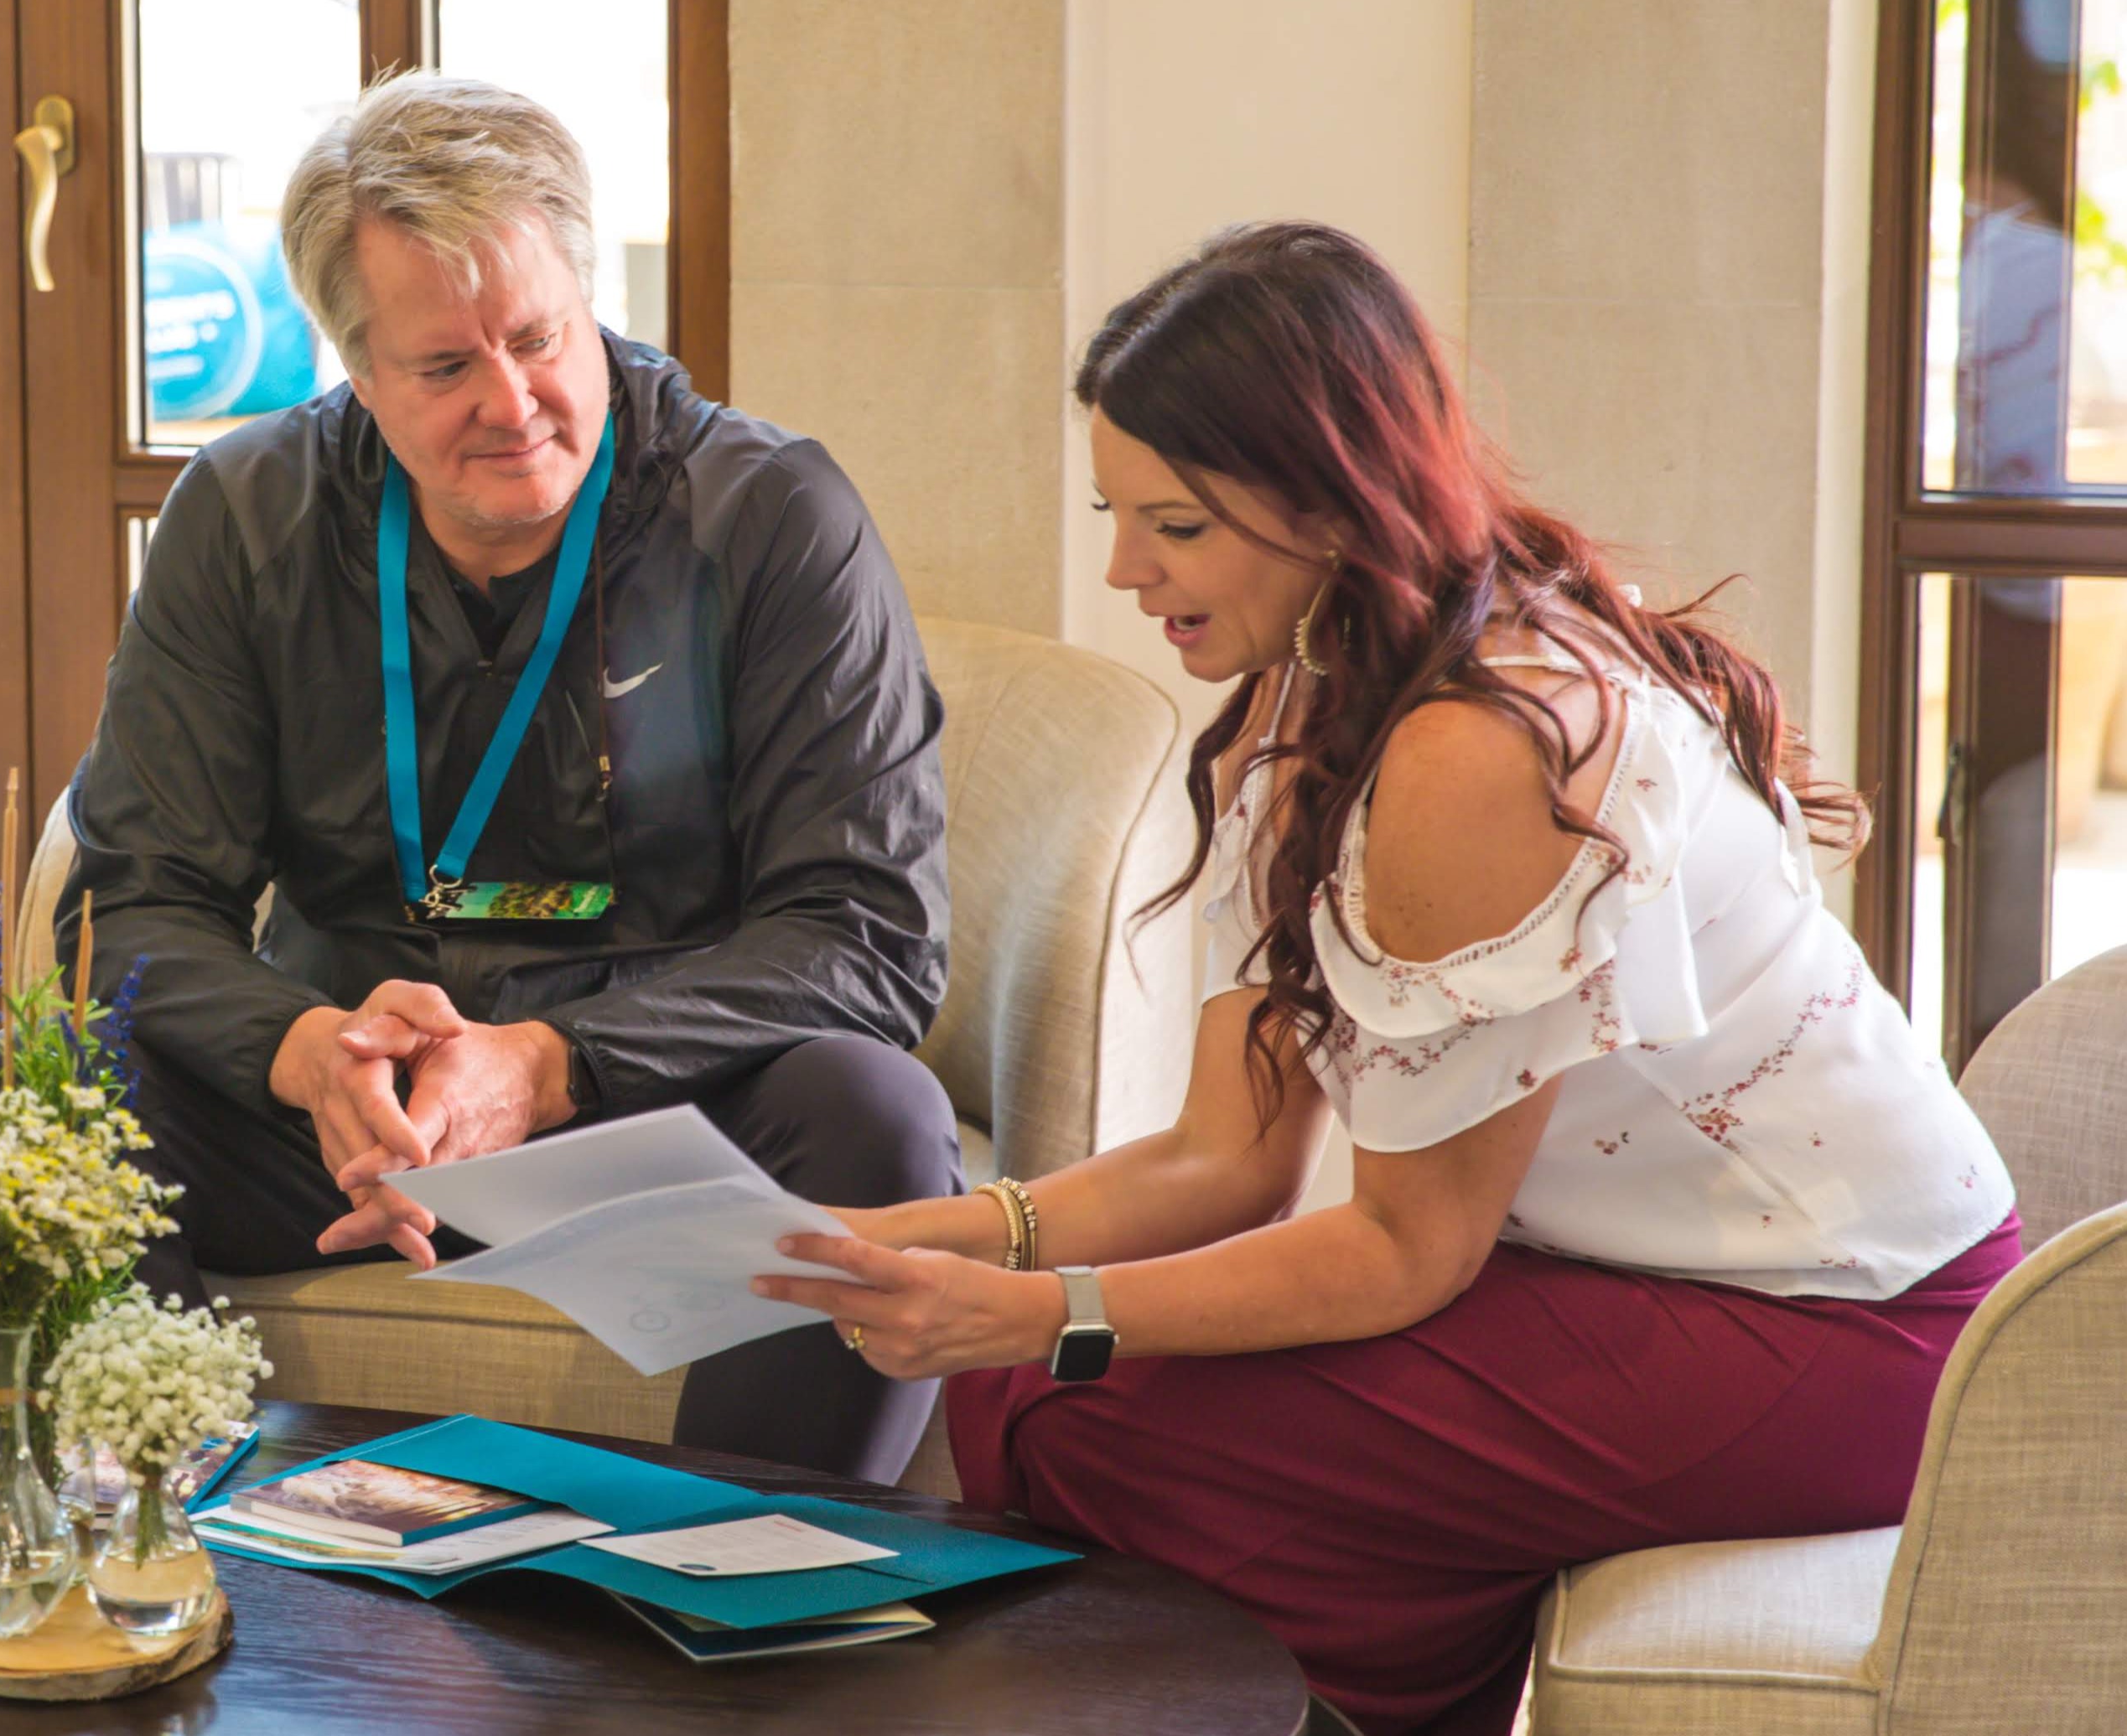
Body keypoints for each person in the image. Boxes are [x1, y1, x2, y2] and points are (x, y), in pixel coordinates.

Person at [749, 223, 2024, 1733]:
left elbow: (1407, 1251)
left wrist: (1031, 1311)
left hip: (1846, 1325)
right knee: (1028, 1393)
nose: (1118, 569)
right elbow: (1224, 1158)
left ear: (1333, 504)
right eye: (1115, 512)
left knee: (1095, 1419)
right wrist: (929, 1245)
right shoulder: (1318, 696)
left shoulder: (1473, 754)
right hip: (1630, 1267)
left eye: (1173, 525)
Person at [60, 75, 959, 1484]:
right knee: (45, 1089)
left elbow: (868, 928)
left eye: (539, 339)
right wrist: (304, 1057)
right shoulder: (242, 516)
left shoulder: (772, 517)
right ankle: (177, 1553)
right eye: (443, 368)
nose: (513, 402)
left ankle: (729, 1601)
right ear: (354, 369)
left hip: (656, 1113)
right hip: (345, 1118)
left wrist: (547, 1067)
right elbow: (132, 901)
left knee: (877, 1118)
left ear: (586, 301)